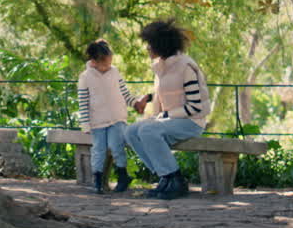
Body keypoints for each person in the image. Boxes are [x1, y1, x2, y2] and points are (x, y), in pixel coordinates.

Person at [125, 20, 209, 200]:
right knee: (131, 131)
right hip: (171, 121)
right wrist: (148, 98)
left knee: (148, 129)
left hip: (192, 122)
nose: (148, 48)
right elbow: (169, 93)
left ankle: (176, 180)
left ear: (160, 45)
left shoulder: (186, 67)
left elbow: (195, 106)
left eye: (150, 44)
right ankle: (165, 177)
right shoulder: (162, 67)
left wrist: (163, 116)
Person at [76, 39, 148, 194]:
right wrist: (86, 124)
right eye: (105, 64)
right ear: (94, 61)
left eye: (110, 63)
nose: (108, 66)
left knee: (117, 148)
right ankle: (97, 180)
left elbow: (124, 93)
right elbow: (83, 102)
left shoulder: (115, 72)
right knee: (98, 150)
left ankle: (123, 176)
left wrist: (135, 104)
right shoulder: (85, 77)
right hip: (97, 121)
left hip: (117, 118)